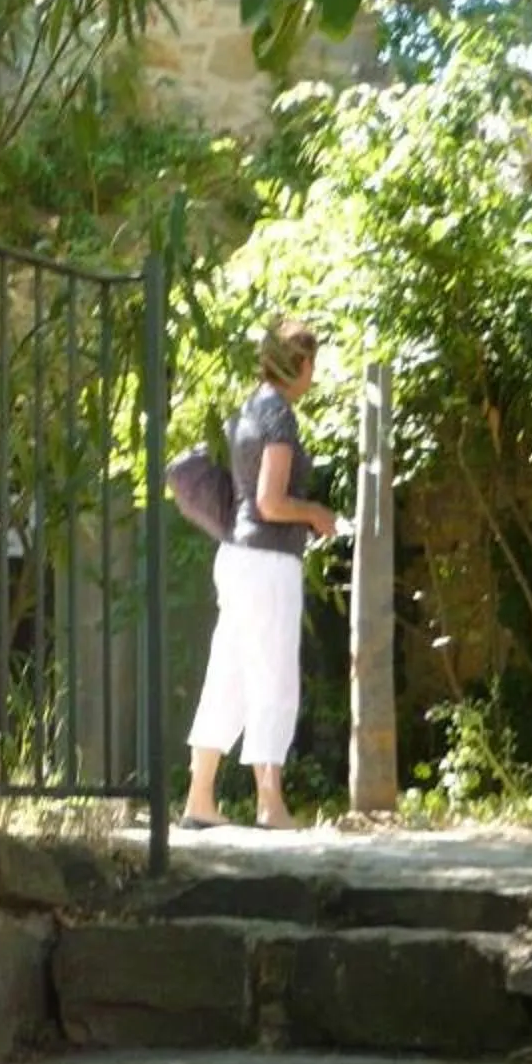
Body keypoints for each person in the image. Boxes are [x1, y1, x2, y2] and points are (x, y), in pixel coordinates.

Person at [179, 317, 336, 832]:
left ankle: (200, 798)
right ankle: (270, 804)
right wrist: (315, 513)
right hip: (269, 562)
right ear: (301, 364)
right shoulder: (280, 417)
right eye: (313, 364)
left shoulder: (248, 408)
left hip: (236, 556)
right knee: (273, 676)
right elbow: (270, 501)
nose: (314, 375)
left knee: (228, 672)